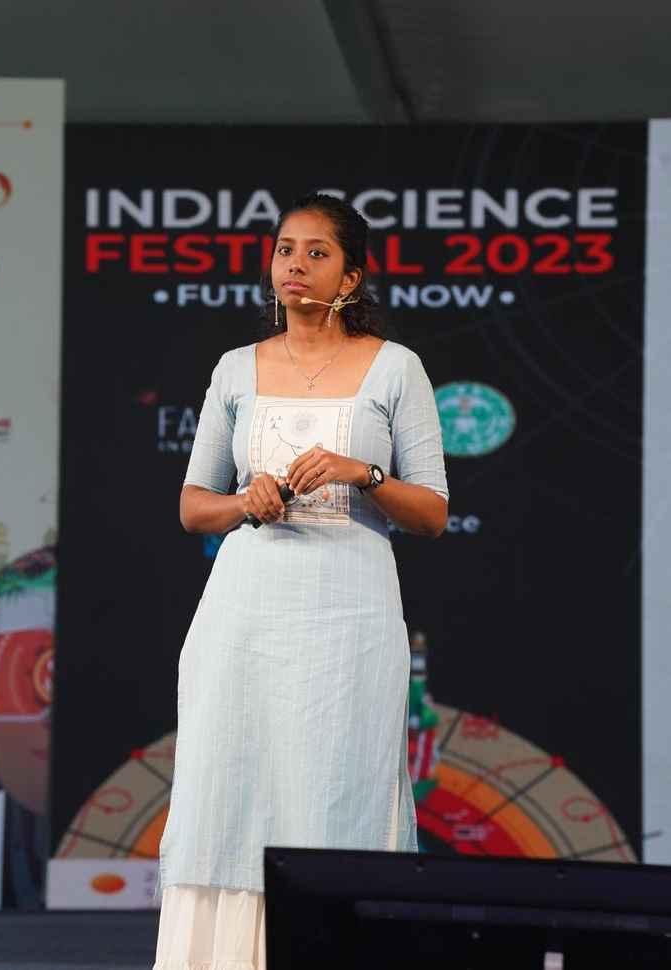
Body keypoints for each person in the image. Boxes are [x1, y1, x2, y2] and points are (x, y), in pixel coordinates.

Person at [153, 192, 449, 970]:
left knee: (337, 787)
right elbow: (192, 506)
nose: (296, 264)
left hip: (349, 613)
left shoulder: (395, 367)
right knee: (229, 787)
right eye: (286, 248)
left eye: (318, 252)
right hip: (245, 613)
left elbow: (432, 512)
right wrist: (241, 503)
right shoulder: (235, 369)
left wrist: (363, 472)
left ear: (351, 277)